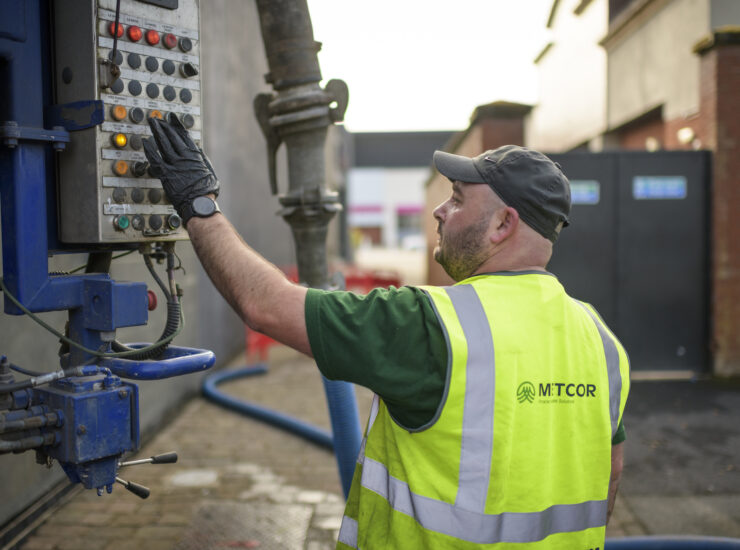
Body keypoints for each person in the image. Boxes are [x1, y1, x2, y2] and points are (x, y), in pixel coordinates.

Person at [144, 118, 630, 550]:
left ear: (504, 223)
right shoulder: (601, 340)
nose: (440, 211)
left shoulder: (431, 324)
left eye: (458, 200)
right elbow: (608, 478)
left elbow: (265, 305)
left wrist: (198, 202)